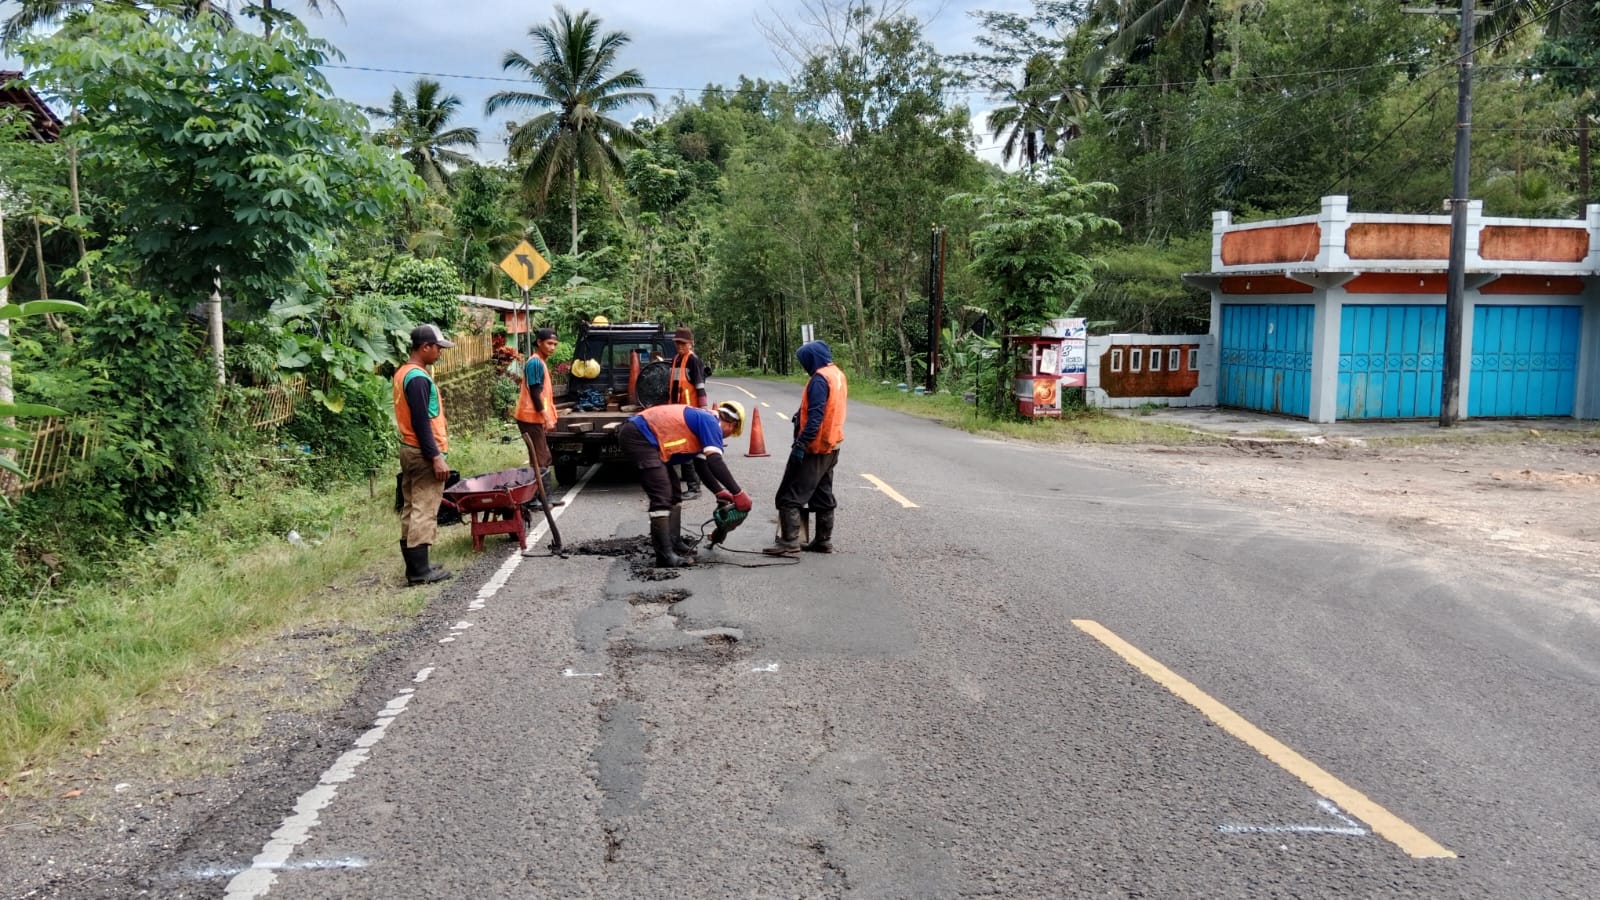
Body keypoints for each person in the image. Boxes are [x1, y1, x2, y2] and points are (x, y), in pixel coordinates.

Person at [619, 400, 753, 568]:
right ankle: (664, 556)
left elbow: (702, 465)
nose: (726, 436)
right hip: (639, 436)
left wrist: (719, 492)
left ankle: (674, 542)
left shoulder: (705, 420)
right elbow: (715, 461)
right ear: (732, 424)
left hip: (651, 440)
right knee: (662, 494)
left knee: (674, 492)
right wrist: (738, 493)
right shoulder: (711, 422)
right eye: (731, 432)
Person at [765, 340, 847, 556]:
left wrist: (801, 444)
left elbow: (816, 417)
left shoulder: (820, 380)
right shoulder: (836, 374)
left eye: (804, 361)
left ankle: (790, 541)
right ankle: (823, 541)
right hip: (832, 445)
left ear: (812, 359)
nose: (804, 366)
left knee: (790, 494)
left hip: (815, 447)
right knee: (822, 494)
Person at [394, 324, 456, 585]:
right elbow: (421, 421)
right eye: (437, 348)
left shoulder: (403, 373)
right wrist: (435, 457)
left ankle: (417, 565)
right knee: (424, 508)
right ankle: (420, 572)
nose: (440, 353)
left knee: (411, 506)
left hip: (409, 447)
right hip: (421, 451)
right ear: (425, 347)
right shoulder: (418, 377)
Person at [515, 327, 563, 506]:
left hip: (534, 418)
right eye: (549, 343)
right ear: (539, 343)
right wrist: (546, 417)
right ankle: (539, 498)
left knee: (541, 456)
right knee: (541, 457)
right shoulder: (535, 363)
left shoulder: (540, 362)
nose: (552, 347)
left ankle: (542, 497)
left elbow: (541, 395)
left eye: (555, 344)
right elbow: (536, 393)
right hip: (530, 417)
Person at [667, 327, 711, 499]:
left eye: (683, 343)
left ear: (690, 344)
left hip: (690, 412)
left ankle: (694, 488)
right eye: (677, 343)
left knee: (687, 449)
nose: (680, 346)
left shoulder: (693, 360)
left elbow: (700, 386)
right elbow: (674, 386)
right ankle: (689, 481)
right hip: (677, 413)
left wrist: (703, 412)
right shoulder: (676, 360)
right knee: (681, 448)